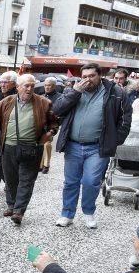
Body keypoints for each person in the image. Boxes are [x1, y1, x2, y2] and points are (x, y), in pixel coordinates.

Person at [52, 63, 131, 229]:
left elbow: (125, 118)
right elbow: (57, 110)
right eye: (85, 77)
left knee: (91, 181)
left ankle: (89, 211)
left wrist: (115, 140)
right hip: (73, 145)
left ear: (99, 75)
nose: (87, 80)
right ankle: (67, 214)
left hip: (97, 147)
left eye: (91, 76)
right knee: (71, 182)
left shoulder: (115, 92)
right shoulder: (72, 90)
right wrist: (75, 93)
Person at [0, 74, 59, 225]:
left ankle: (19, 211)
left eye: (32, 85)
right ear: (18, 87)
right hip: (9, 147)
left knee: (26, 181)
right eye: (26, 85)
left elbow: (54, 123)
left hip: (31, 148)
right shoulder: (6, 102)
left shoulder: (44, 103)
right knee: (11, 180)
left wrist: (49, 134)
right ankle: (11, 205)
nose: (30, 89)